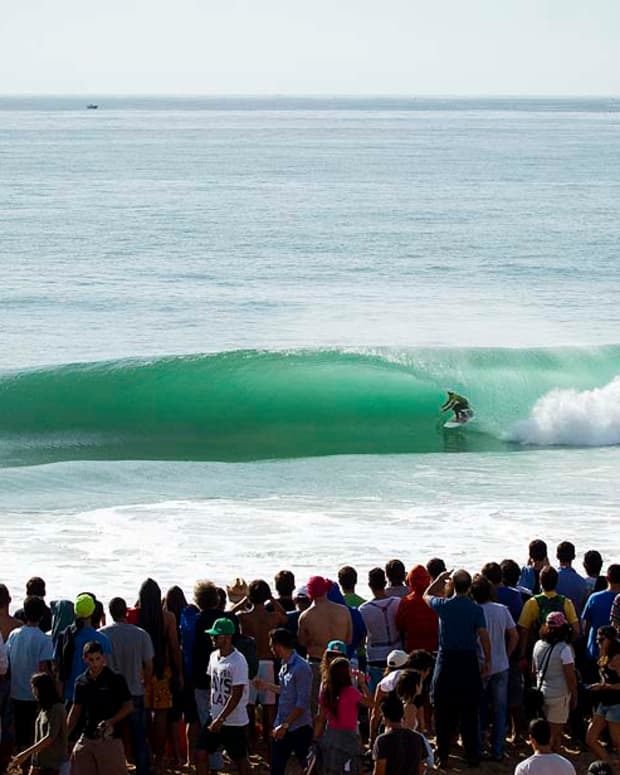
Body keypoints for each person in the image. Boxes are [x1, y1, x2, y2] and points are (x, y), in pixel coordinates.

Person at [423, 569, 490, 768]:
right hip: (468, 660)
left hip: (447, 660)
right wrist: (488, 660)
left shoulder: (443, 605)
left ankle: (443, 754)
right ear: (469, 587)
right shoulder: (476, 609)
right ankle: (472, 754)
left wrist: (439, 578)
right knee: (469, 711)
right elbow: (484, 637)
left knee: (443, 710)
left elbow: (426, 595)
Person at [100, 597, 154, 775]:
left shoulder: (103, 634)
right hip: (134, 690)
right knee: (139, 737)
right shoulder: (140, 634)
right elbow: (149, 665)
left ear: (110, 612)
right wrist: (145, 683)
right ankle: (143, 770)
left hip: (111, 693)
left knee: (110, 737)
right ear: (126, 612)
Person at [232, 579, 287, 752]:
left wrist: (242, 601)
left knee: (248, 706)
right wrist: (272, 599)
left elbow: (228, 614)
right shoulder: (273, 617)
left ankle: (251, 742)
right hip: (268, 663)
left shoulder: (243, 616)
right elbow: (284, 615)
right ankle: (270, 742)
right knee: (269, 707)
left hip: (249, 663)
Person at [135, 578, 182, 775]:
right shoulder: (168, 617)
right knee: (161, 715)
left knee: (145, 715)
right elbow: (174, 648)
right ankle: (159, 758)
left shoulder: (136, 616)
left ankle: (145, 755)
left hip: (142, 671)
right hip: (163, 670)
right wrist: (179, 673)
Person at [67, 641, 133, 775]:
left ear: (103, 657)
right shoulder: (81, 682)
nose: (95, 663)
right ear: (85, 659)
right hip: (87, 736)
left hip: (110, 738)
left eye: (98, 659)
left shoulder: (115, 679)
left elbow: (128, 706)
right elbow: (75, 711)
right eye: (91, 660)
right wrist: (64, 735)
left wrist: (111, 721)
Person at [253, 627, 312, 775]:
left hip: (298, 728)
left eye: (271, 645)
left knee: (309, 767)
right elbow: (286, 690)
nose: (271, 649)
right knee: (276, 767)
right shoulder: (284, 665)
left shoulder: (301, 668)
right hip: (283, 725)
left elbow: (302, 703)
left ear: (277, 645)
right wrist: (266, 686)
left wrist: (285, 725)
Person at [471, 575, 518, 762]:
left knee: (477, 709)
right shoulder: (501, 610)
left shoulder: (473, 611)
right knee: (500, 710)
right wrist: (506, 653)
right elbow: (514, 635)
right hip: (501, 665)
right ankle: (498, 750)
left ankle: (480, 747)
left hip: (479, 664)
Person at [195, 618, 250, 775]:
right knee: (201, 752)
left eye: (216, 636)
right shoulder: (213, 656)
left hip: (234, 721)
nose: (212, 638)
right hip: (215, 715)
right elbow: (212, 684)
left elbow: (237, 694)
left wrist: (221, 718)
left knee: (240, 760)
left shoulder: (238, 661)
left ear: (227, 637)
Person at [6, 597, 54, 754]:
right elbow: (43, 669)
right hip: (34, 694)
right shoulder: (44, 639)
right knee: (33, 734)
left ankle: (19, 760)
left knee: (18, 732)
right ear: (42, 616)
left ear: (24, 613)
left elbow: (7, 661)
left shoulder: (14, 634)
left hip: (14, 691)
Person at [297, 576, 352, 713]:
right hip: (341, 662)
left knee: (317, 704)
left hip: (317, 663)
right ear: (326, 590)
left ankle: (318, 733)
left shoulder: (306, 616)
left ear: (310, 593)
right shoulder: (343, 611)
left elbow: (302, 642)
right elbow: (349, 639)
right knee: (342, 704)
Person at [313, 656, 373, 775]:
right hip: (348, 737)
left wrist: (315, 738)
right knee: (350, 769)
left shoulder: (326, 691)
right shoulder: (350, 691)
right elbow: (371, 703)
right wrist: (362, 683)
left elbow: (321, 718)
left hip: (331, 735)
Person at [532, 611, 577, 753]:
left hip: (542, 693)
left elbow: (533, 671)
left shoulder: (538, 645)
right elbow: (570, 677)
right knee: (554, 736)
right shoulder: (564, 649)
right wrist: (574, 695)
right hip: (559, 695)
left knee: (544, 735)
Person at [54, 593, 112, 705]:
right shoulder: (102, 639)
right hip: (95, 695)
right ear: (93, 611)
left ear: (75, 611)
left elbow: (57, 666)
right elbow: (106, 667)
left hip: (70, 695)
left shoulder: (65, 635)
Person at [517, 566, 580, 663]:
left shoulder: (532, 603)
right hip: (562, 654)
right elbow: (576, 630)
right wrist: (567, 643)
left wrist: (522, 655)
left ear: (540, 582)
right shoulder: (566, 602)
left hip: (539, 651)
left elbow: (524, 631)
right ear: (556, 582)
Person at [11, 673, 68, 775]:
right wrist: (34, 763)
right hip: (41, 764)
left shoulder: (57, 709)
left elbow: (50, 737)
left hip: (54, 765)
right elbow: (38, 739)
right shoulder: (43, 710)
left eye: (34, 688)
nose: (33, 691)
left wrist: (25, 754)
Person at [359, 569, 402, 692]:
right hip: (396, 654)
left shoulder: (364, 609)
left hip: (375, 656)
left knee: (376, 696)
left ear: (369, 585)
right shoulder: (397, 602)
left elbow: (363, 636)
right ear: (385, 583)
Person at [585, 625, 620, 766]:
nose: (598, 642)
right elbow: (605, 678)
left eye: (601, 640)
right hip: (604, 704)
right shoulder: (603, 655)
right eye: (597, 640)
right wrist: (599, 685)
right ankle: (610, 764)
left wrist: (606, 686)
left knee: (617, 742)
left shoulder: (618, 659)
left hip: (616, 705)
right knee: (591, 738)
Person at [372, 693, 426, 775]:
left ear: (384, 717)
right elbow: (421, 768)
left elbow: (379, 772)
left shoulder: (382, 741)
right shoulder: (418, 738)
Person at [369, 650, 410, 746]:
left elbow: (375, 714)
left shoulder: (382, 684)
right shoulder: (411, 681)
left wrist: (372, 739)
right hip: (407, 730)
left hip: (387, 730)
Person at [395, 565, 439, 653]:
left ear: (411, 581)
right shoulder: (436, 599)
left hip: (414, 650)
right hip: (435, 647)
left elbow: (399, 625)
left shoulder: (406, 602)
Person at [555, 541, 588, 616]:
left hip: (554, 624)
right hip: (575, 625)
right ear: (574, 556)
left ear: (557, 556)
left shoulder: (551, 577)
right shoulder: (582, 582)